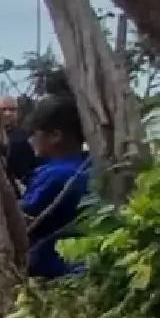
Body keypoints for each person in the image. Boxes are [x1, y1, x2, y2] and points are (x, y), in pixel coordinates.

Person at [22, 96, 94, 280]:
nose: (30, 140)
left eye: (35, 133)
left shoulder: (54, 175)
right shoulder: (87, 164)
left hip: (56, 269)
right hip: (83, 262)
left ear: (55, 136)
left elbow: (23, 216)